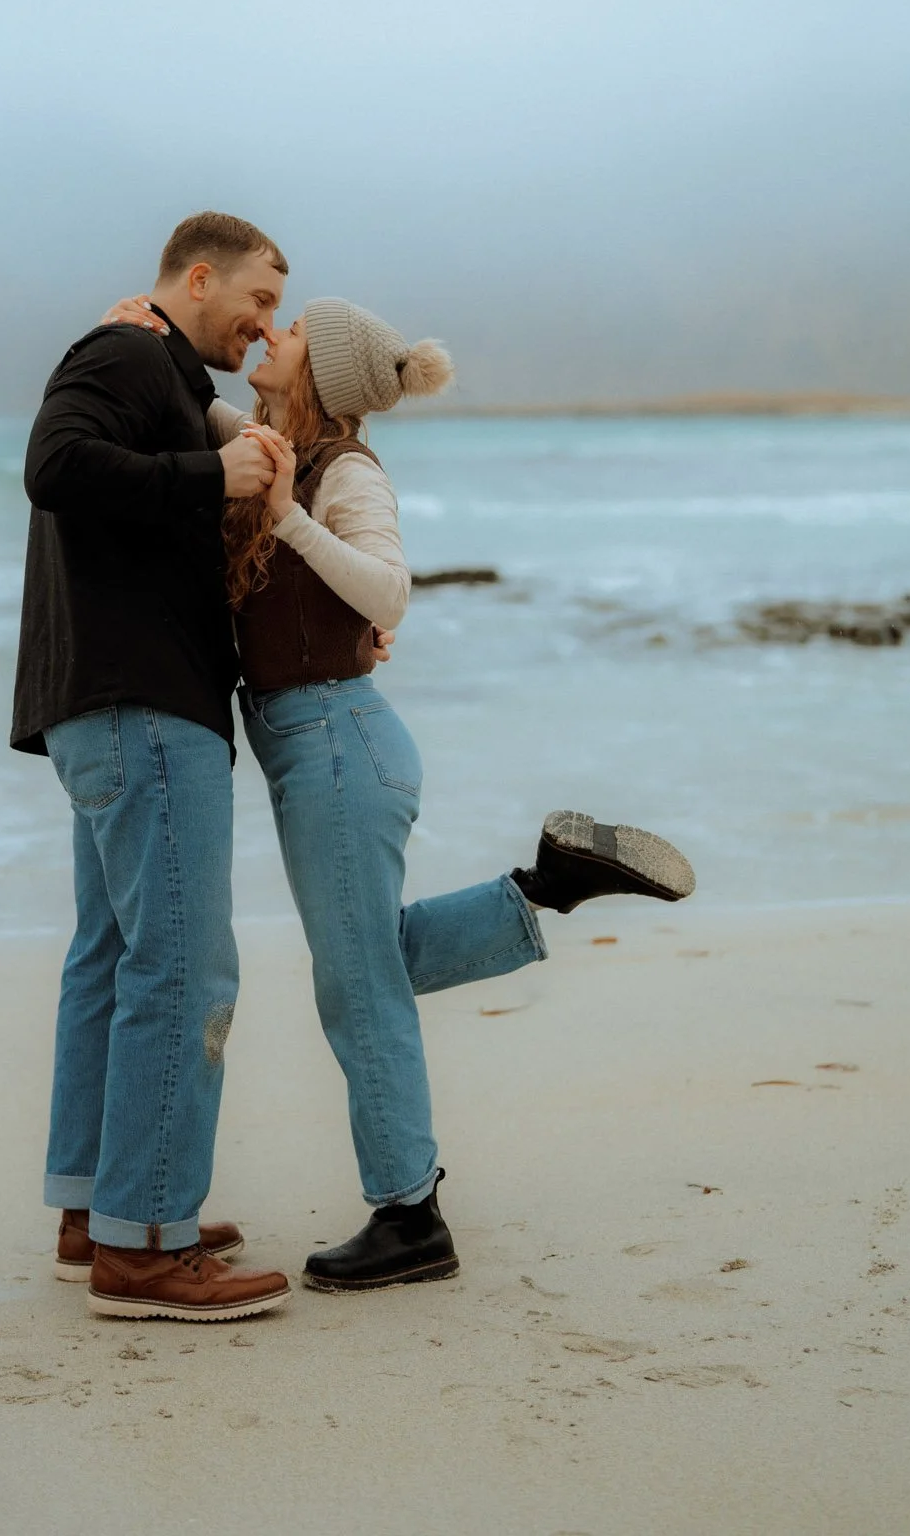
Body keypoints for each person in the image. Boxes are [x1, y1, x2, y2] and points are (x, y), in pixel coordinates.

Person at [107, 291, 696, 1293]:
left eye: (288, 332)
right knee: (369, 962)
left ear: (322, 374)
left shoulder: (345, 473)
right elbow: (192, 414)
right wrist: (150, 335)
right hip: (317, 744)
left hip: (338, 740)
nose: (269, 334)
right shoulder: (272, 443)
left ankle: (410, 1213)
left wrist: (289, 520)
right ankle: (549, 884)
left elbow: (387, 591)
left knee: (355, 984)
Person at [11, 211, 298, 1323]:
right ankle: (145, 1243)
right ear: (196, 275)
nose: (264, 327)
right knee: (184, 968)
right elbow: (54, 465)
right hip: (141, 705)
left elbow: (188, 451)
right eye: (259, 302)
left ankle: (99, 1208)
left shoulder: (162, 370)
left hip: (101, 706)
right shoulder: (123, 352)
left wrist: (228, 452)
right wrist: (208, 476)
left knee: (113, 958)